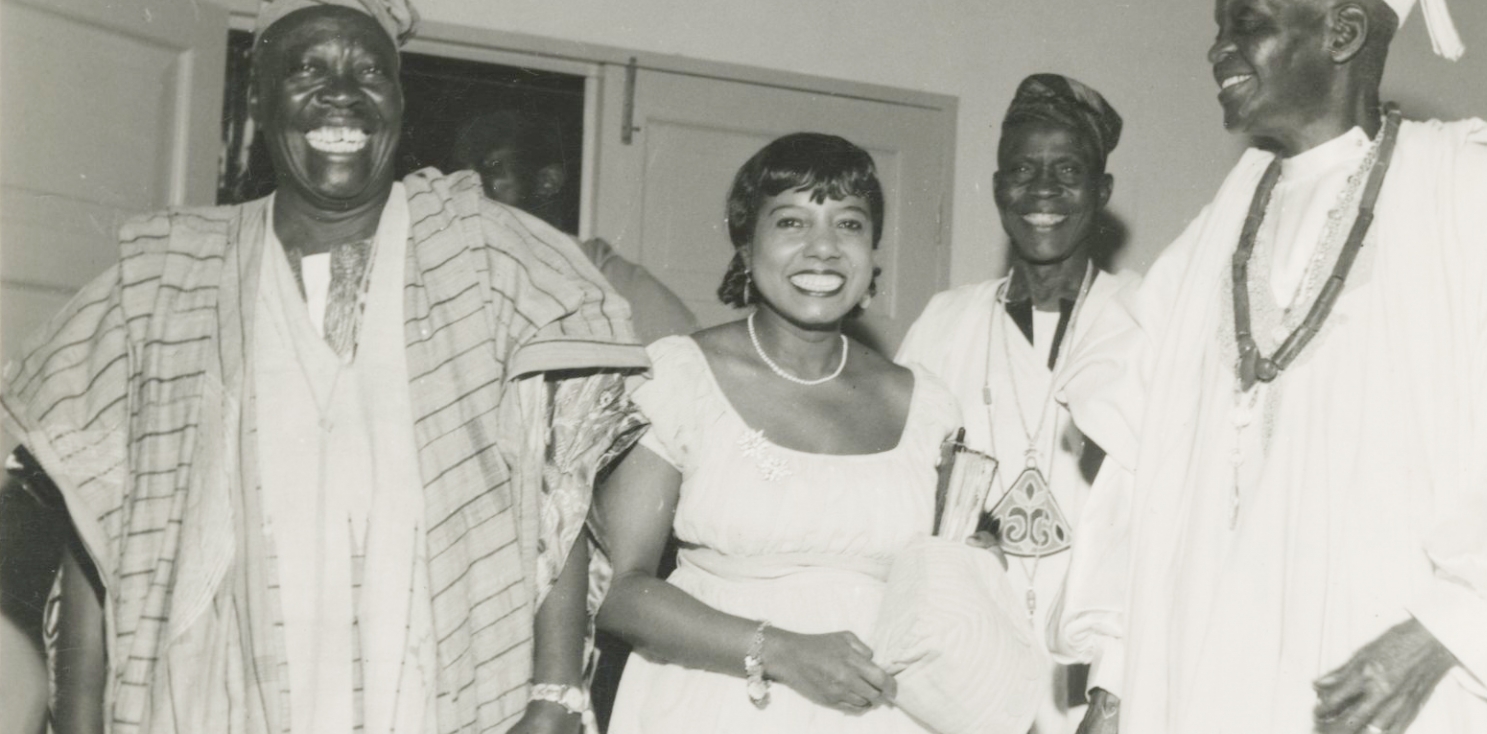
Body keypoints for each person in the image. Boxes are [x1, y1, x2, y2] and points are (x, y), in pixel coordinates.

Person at [0, 2, 650, 733]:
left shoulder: (488, 259)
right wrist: (80, 722)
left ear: (401, 100)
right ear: (258, 97)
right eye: (307, 67)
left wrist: (556, 694)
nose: (343, 92)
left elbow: (554, 507)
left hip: (445, 696)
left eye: (371, 70)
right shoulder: (163, 280)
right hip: (212, 694)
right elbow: (95, 536)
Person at [1052, 1, 1487, 733]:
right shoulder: (1221, 222)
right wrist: (1116, 685)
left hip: (1377, 688)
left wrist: (1450, 626)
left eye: (1246, 20)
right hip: (1204, 680)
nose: (1219, 47)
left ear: (1342, 32)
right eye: (1218, 25)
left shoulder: (1467, 194)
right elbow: (1140, 462)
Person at [591, 132, 981, 733]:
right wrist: (782, 652)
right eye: (792, 223)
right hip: (718, 706)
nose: (823, 249)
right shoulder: (681, 376)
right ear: (746, 248)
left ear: (874, 252)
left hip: (880, 715)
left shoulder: (927, 402)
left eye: (849, 225)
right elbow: (622, 595)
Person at [896, 73, 1137, 734]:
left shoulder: (1146, 320)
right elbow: (902, 491)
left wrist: (1116, 692)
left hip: (1103, 685)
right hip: (964, 674)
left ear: (1103, 192)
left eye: (1068, 170)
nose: (1044, 192)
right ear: (998, 186)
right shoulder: (944, 325)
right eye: (1023, 170)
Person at [452, 110, 699, 345]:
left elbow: (690, 368)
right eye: (462, 173)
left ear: (547, 182)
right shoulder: (461, 272)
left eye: (492, 167)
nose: (467, 185)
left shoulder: (609, 277)